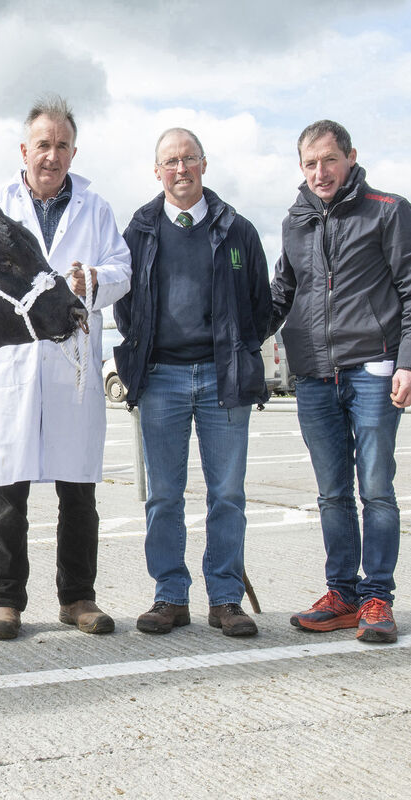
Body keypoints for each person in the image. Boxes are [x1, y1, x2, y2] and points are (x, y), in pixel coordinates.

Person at [0, 95, 131, 640]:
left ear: (73, 151)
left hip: (72, 363)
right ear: (24, 149)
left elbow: (122, 270)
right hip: (12, 361)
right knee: (8, 487)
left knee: (77, 486)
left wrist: (94, 282)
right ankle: (5, 600)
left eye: (62, 146)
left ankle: (78, 597)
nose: (52, 155)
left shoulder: (96, 207)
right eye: (43, 145)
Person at [270, 120, 411, 643]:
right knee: (331, 493)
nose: (320, 172)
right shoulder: (295, 221)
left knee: (376, 488)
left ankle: (377, 600)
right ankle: (341, 594)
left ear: (350, 158)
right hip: (315, 376)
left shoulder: (388, 211)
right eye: (310, 164)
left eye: (329, 160)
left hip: (374, 369)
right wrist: (233, 330)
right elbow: (284, 291)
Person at [114, 128, 272, 637]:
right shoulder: (138, 231)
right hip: (161, 379)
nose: (180, 169)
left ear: (204, 165)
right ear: (156, 172)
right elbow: (125, 304)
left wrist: (235, 351)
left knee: (227, 493)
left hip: (223, 379)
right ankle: (170, 596)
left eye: (188, 159)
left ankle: (225, 598)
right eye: (170, 162)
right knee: (164, 494)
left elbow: (260, 305)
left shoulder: (237, 230)